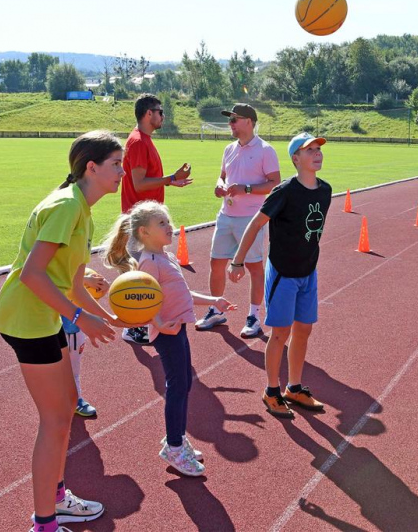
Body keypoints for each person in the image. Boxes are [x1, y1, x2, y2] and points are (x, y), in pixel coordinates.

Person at [0, 130, 125, 532]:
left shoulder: (82, 208)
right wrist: (80, 317)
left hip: (45, 315)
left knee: (67, 405)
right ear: (91, 166)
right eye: (116, 164)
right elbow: (34, 275)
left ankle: (56, 499)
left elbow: (69, 282)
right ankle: (45, 524)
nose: (122, 171)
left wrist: (105, 315)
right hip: (27, 318)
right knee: (54, 419)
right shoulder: (67, 206)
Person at [103, 201, 236, 476]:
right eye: (161, 223)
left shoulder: (166, 257)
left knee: (184, 383)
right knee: (177, 387)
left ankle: (176, 437)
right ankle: (174, 447)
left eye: (168, 220)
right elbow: (142, 301)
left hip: (178, 329)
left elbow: (183, 293)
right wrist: (160, 323)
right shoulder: (148, 264)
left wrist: (213, 300)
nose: (169, 226)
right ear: (143, 232)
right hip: (167, 334)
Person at [229, 133, 332, 418]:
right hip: (283, 273)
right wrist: (237, 262)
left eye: (318, 149)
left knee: (304, 330)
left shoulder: (325, 190)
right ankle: (271, 390)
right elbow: (256, 223)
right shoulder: (285, 191)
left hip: (308, 272)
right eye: (308, 150)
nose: (316, 153)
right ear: (295, 159)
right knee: (280, 334)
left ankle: (294, 387)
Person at [196, 103, 280, 338]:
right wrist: (219, 185)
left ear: (249, 122)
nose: (230, 124)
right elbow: (222, 175)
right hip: (225, 215)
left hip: (251, 218)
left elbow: (275, 183)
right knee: (216, 263)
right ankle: (215, 309)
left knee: (254, 267)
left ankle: (254, 316)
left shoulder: (265, 150)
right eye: (230, 119)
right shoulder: (229, 149)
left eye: (234, 119)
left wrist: (247, 188)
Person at [120, 93, 192, 346]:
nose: (163, 116)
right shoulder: (139, 142)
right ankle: (134, 327)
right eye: (160, 112)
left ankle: (142, 324)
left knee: (146, 276)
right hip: (141, 223)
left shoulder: (144, 140)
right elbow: (139, 184)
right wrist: (170, 178)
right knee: (141, 278)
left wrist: (171, 181)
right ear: (148, 114)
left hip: (146, 222)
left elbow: (145, 182)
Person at [63, 271, 109, 418]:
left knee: (74, 368)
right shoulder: (49, 250)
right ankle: (55, 404)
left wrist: (102, 287)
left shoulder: (79, 257)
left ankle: (75, 401)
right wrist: (85, 280)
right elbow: (50, 277)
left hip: (74, 324)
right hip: (52, 320)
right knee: (53, 368)